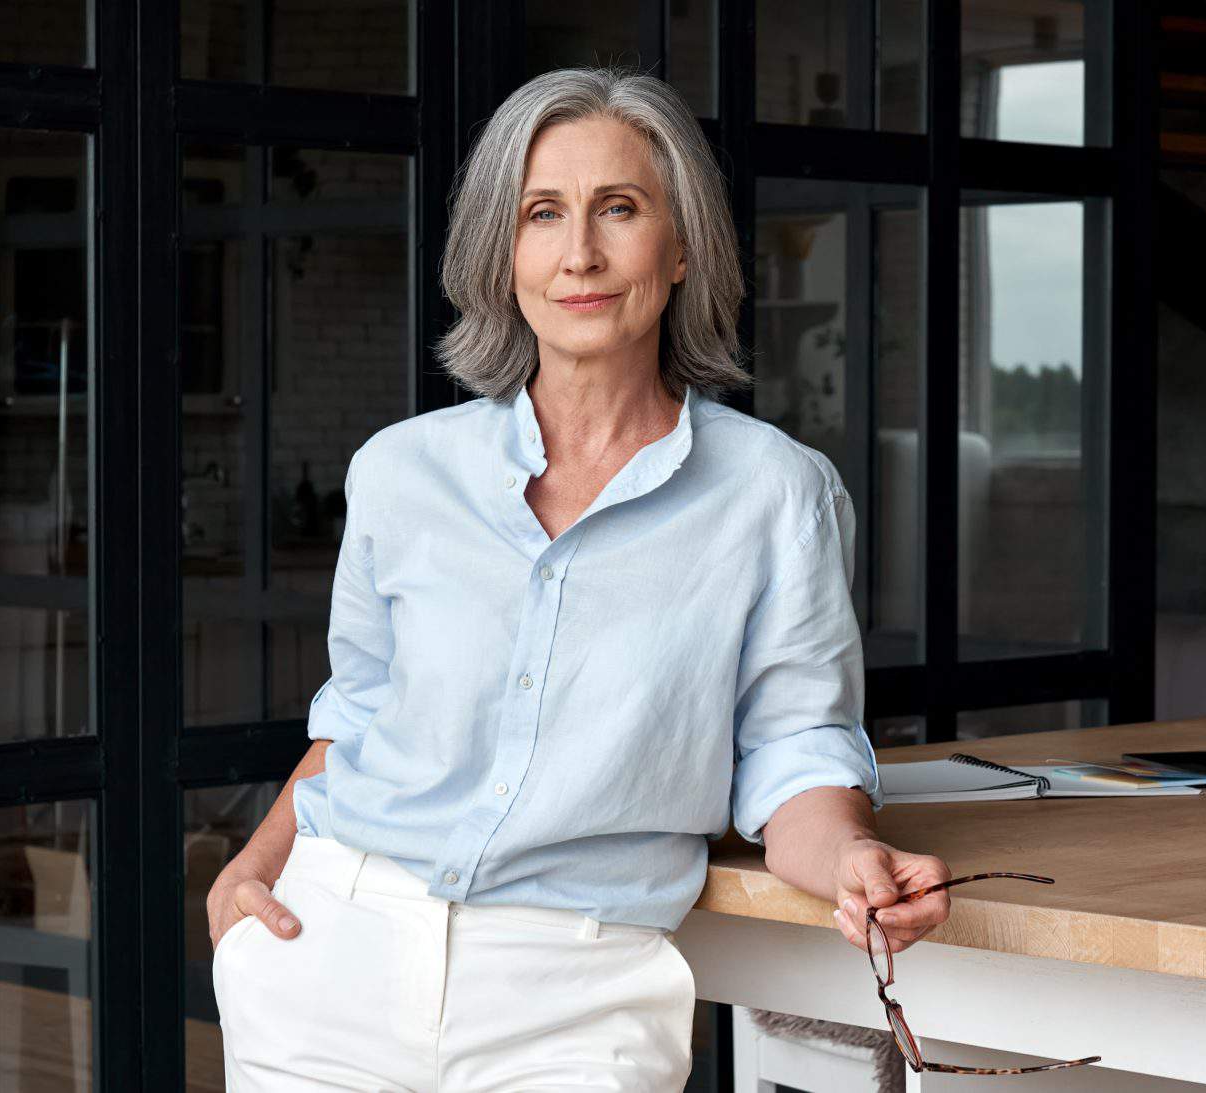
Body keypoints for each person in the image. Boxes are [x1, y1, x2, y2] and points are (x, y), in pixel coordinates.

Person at [207, 64, 953, 1092]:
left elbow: (796, 750)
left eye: (620, 208)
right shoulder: (399, 471)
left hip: (577, 991)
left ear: (683, 244)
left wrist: (852, 860)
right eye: (542, 214)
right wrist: (256, 860)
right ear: (501, 252)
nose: (581, 254)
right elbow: (359, 715)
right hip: (332, 954)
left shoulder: (777, 495)